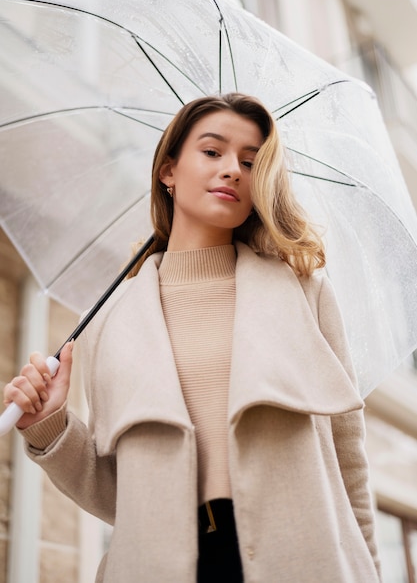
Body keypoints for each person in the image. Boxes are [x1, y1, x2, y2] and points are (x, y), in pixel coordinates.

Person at [3, 93, 382, 583]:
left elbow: (348, 463)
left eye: (250, 161)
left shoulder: (304, 293)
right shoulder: (113, 318)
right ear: (168, 171)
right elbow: (120, 494)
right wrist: (50, 425)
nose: (233, 170)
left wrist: (370, 571)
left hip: (301, 559)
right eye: (212, 151)